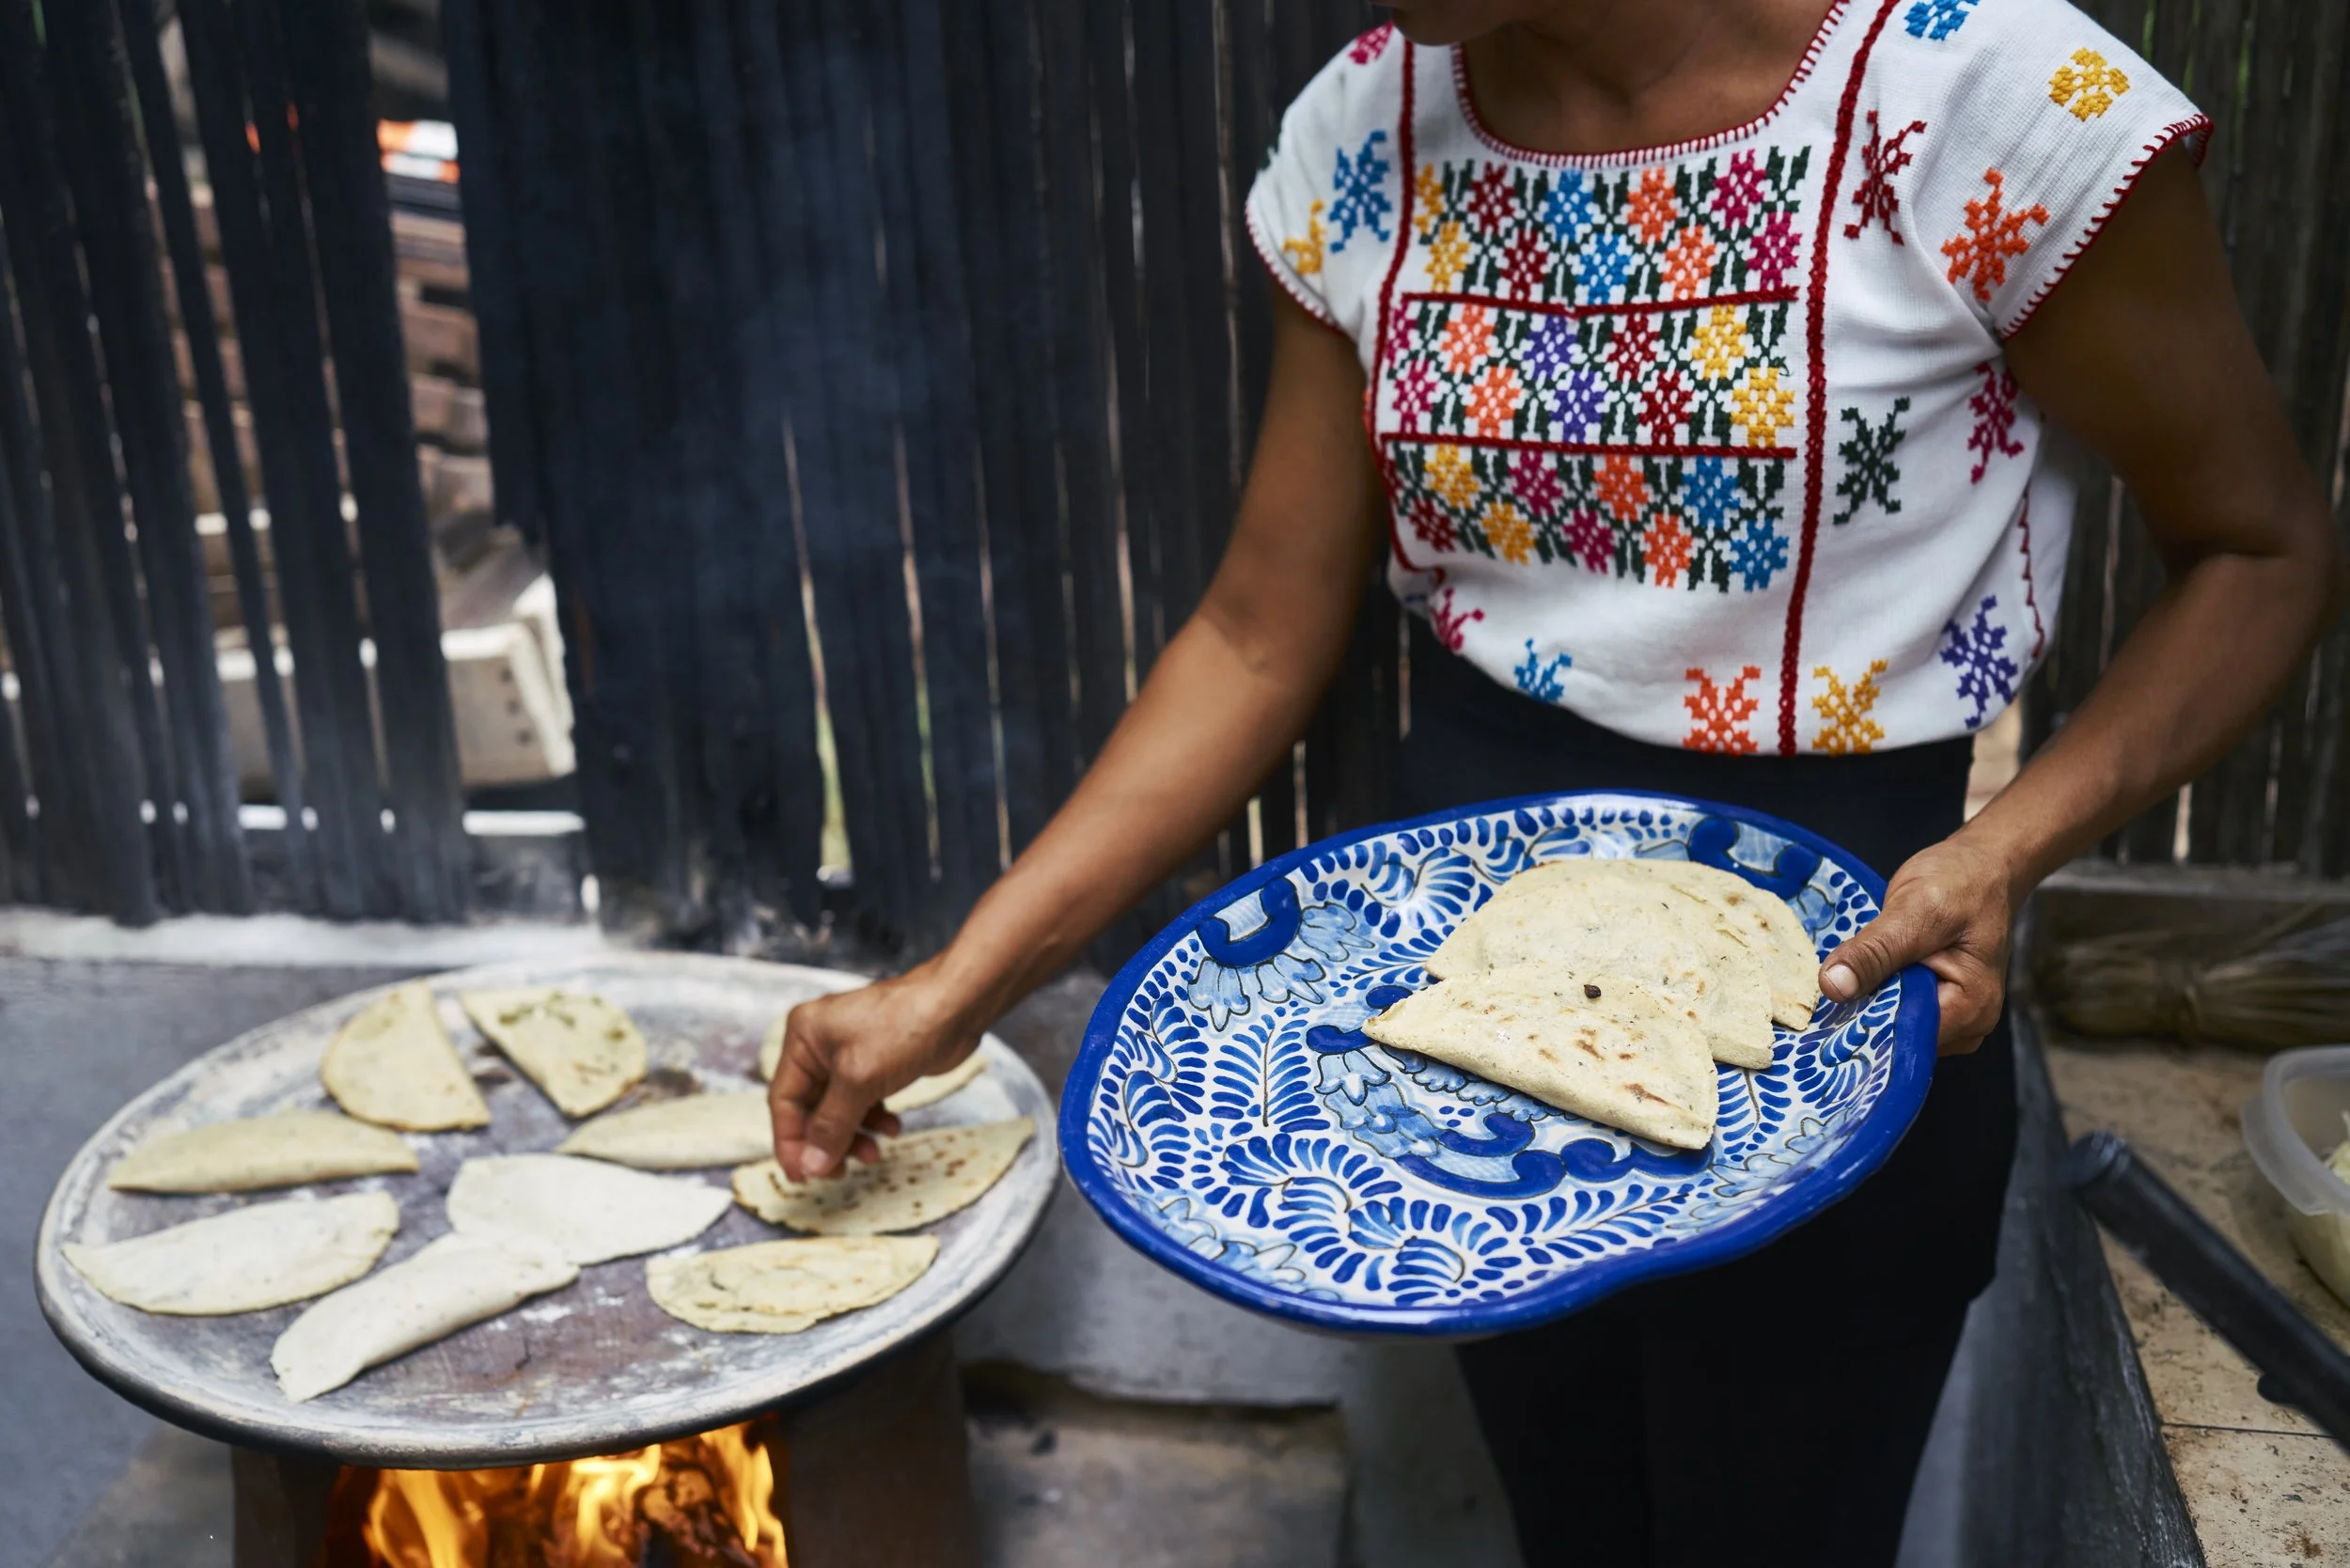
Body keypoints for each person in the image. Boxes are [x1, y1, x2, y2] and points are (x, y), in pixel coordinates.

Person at [770, 0, 2342, 1560]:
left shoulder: (1990, 103)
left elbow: (2263, 553)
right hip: (1461, 1032)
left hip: (1837, 989)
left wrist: (2007, 850)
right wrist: (960, 985)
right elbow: (1257, 633)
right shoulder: (1368, 126)